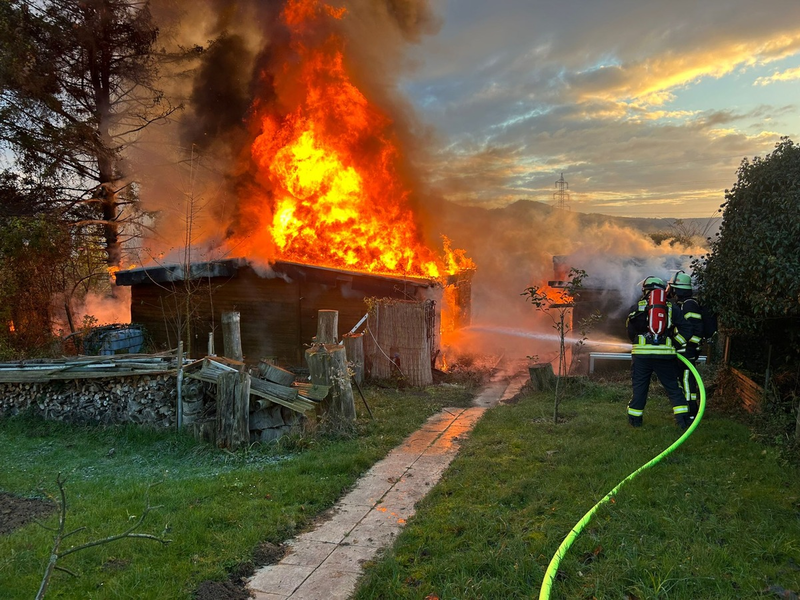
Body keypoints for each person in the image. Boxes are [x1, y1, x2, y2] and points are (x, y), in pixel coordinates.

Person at [625, 276, 693, 429]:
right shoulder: (671, 307)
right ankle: (683, 421)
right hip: (665, 356)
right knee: (673, 388)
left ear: (645, 290)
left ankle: (635, 422)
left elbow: (630, 332)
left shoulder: (637, 307)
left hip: (641, 357)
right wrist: (675, 343)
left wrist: (639, 342)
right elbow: (687, 329)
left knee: (640, 388)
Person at [667, 271, 704, 423]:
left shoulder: (689, 305)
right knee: (683, 380)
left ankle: (691, 411)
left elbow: (697, 330)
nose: (672, 292)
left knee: (687, 381)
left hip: (687, 351)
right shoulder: (683, 305)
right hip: (682, 350)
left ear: (678, 289)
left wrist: (688, 347)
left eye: (673, 288)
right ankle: (687, 410)